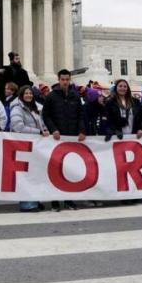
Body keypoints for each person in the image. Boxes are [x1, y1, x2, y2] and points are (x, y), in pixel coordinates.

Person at [43, 69, 85, 211]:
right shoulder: (51, 96)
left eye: (67, 79)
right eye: (63, 79)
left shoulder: (75, 96)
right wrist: (53, 129)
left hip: (72, 136)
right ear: (58, 79)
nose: (65, 82)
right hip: (57, 138)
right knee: (55, 169)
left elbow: (80, 115)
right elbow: (46, 116)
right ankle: (55, 201)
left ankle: (69, 199)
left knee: (70, 169)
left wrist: (81, 130)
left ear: (70, 79)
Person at [10, 86, 48, 212]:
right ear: (21, 95)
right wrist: (38, 132)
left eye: (30, 93)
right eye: (26, 93)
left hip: (34, 145)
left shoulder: (34, 108)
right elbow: (18, 127)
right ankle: (27, 204)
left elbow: (40, 123)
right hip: (23, 145)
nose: (28, 95)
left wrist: (45, 131)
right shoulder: (17, 108)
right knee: (26, 175)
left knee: (34, 173)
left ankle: (34, 200)